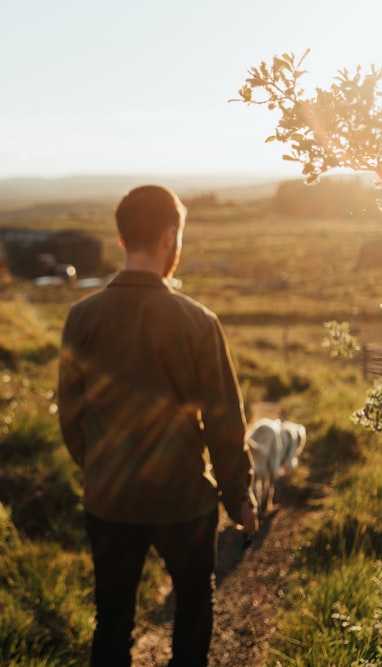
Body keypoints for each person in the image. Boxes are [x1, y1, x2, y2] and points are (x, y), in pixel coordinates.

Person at [57, 184, 258, 666]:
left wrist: (101, 465)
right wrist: (239, 497)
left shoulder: (81, 317)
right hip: (184, 500)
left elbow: (71, 414)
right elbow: (224, 422)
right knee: (193, 606)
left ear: (124, 240)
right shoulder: (198, 321)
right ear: (170, 237)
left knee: (112, 620)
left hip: (109, 500)